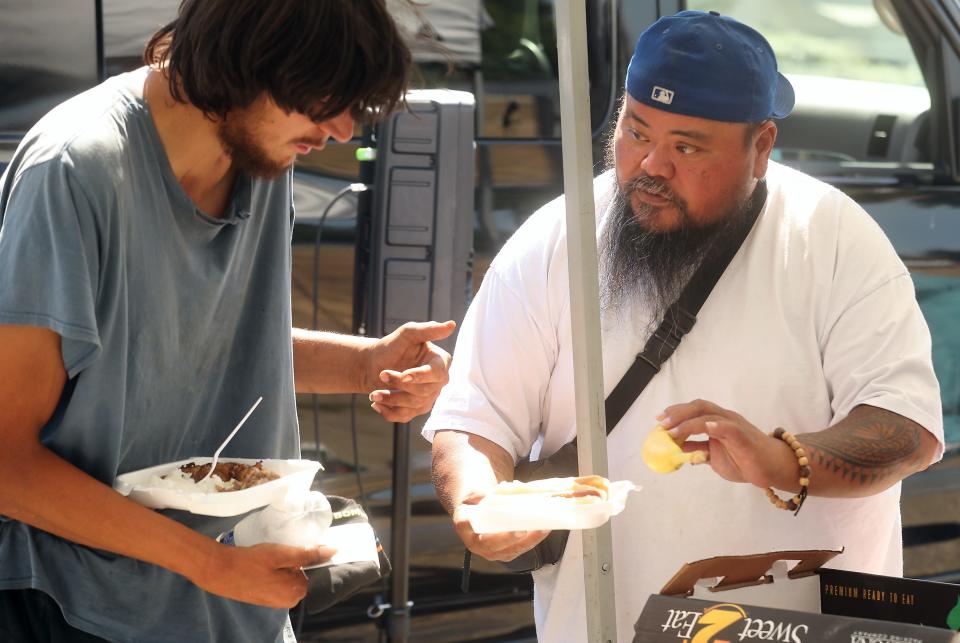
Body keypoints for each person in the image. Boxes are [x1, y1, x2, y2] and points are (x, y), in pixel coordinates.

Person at [425, 9, 944, 641]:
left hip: (805, 626)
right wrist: (479, 503)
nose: (651, 166)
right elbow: (475, 418)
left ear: (761, 146)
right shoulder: (557, 238)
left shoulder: (834, 238)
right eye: (636, 132)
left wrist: (785, 459)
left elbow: (904, 428)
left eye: (687, 147)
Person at [0, 1, 455, 642]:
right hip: (85, 611)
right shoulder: (76, 169)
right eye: (326, 97)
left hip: (239, 602)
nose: (343, 130)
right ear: (250, 57)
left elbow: (205, 346)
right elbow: (7, 463)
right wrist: (211, 564)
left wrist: (364, 365)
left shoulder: (262, 156)